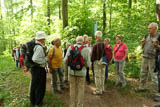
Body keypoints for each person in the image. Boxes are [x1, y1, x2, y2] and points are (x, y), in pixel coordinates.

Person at [136, 22, 160, 102]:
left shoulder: (159, 36)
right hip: (145, 57)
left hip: (153, 58)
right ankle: (142, 87)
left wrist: (156, 44)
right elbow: (143, 46)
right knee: (143, 72)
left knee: (154, 76)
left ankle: (156, 93)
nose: (148, 29)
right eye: (148, 28)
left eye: (150, 28)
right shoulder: (147, 35)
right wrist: (142, 43)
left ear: (155, 29)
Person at [64, 36, 91, 107]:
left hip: (71, 72)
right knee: (81, 89)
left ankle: (72, 105)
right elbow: (88, 64)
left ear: (76, 41)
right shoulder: (86, 49)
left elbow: (65, 60)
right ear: (83, 41)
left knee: (72, 88)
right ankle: (79, 105)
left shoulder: (70, 47)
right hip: (81, 73)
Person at [30, 31, 47, 106]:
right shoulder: (39, 47)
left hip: (35, 69)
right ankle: (38, 102)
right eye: (44, 39)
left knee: (34, 85)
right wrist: (45, 60)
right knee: (40, 87)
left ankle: (33, 101)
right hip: (39, 69)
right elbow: (35, 59)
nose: (45, 40)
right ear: (42, 39)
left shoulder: (35, 45)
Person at [91, 31, 106, 95]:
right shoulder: (103, 44)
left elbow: (92, 55)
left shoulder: (95, 45)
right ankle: (102, 89)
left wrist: (91, 62)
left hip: (96, 61)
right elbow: (105, 53)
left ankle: (98, 91)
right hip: (103, 61)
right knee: (102, 75)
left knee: (97, 76)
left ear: (96, 36)